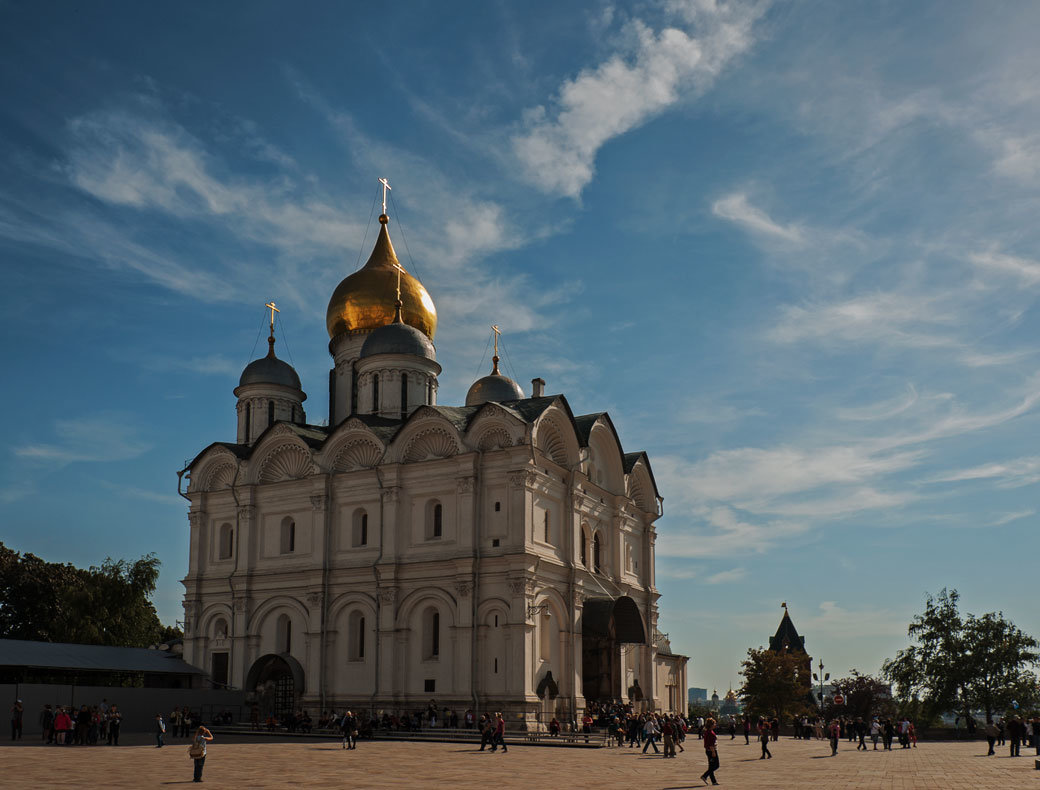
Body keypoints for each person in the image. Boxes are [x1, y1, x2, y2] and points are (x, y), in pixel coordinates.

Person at [700, 718, 720, 786]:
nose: (715, 725)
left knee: (711, 766)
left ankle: (713, 781)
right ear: (711, 725)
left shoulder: (707, 731)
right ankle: (705, 776)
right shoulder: (711, 733)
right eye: (714, 723)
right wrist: (713, 752)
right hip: (712, 750)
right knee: (716, 765)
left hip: (708, 750)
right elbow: (711, 744)